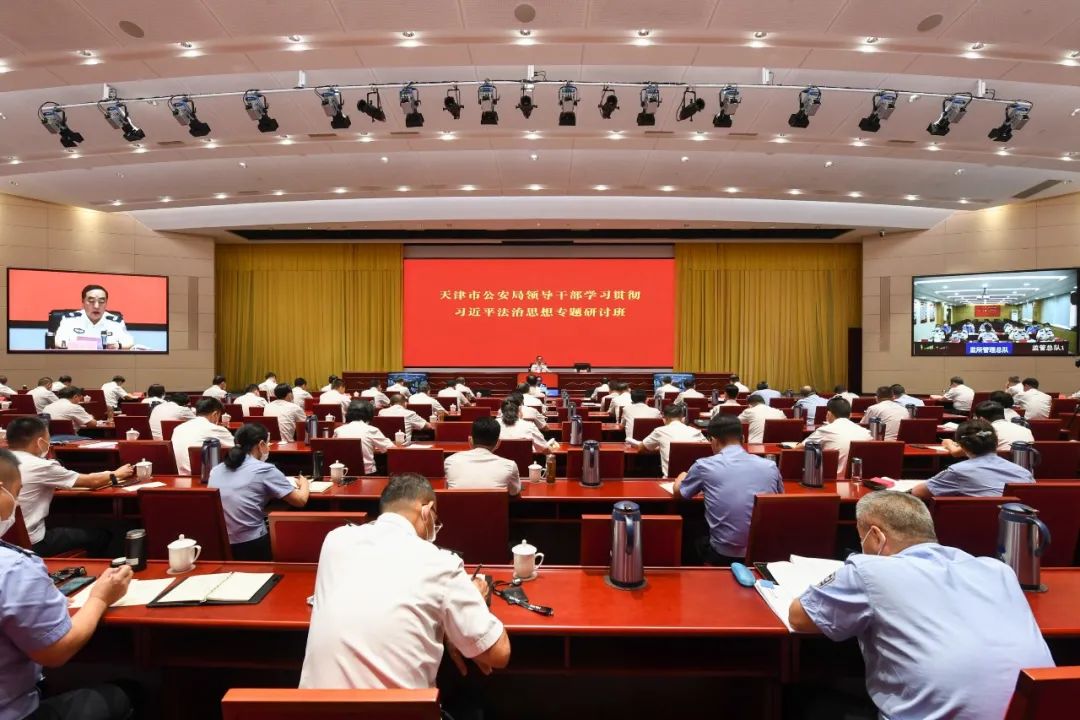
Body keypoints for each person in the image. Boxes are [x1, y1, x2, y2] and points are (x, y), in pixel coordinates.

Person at [789, 491, 1054, 720]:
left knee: (811, 702)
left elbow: (799, 617)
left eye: (862, 538)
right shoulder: (998, 570)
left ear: (876, 536)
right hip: (1041, 710)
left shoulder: (869, 570)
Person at [300, 473, 510, 693]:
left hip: (311, 708)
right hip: (399, 709)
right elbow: (499, 654)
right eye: (436, 520)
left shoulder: (335, 540)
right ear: (427, 510)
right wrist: (473, 600)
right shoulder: (441, 563)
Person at [0, 464, 136, 720]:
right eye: (16, 494)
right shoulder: (13, 567)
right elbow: (56, 651)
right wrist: (100, 597)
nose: (17, 504)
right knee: (127, 692)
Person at [6, 416, 132, 556]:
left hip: (4, 541)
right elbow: (92, 482)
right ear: (40, 442)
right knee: (111, 530)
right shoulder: (40, 465)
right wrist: (117, 474)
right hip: (33, 544)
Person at [674, 415, 783, 566]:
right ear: (743, 439)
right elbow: (779, 500)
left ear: (713, 440)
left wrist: (681, 476)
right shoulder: (770, 466)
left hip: (723, 555)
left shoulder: (704, 466)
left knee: (689, 527)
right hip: (765, 552)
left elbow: (680, 494)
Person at [209, 423, 310, 560]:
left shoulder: (216, 470)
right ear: (261, 444)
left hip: (220, 543)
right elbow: (300, 501)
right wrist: (305, 483)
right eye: (267, 444)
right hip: (251, 544)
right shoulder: (265, 469)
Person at [912, 419, 1034, 498]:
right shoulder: (1024, 473)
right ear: (996, 443)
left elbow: (918, 492)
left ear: (962, 446)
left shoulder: (957, 471)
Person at [797, 397, 871, 478]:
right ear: (850, 415)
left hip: (832, 480)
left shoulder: (825, 430)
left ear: (828, 414)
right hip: (859, 480)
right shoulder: (866, 433)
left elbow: (799, 449)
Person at [444, 417, 521, 495]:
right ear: (498, 443)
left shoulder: (450, 461)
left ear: (470, 440)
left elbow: (447, 487)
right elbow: (514, 492)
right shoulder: (510, 466)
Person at [53, 284, 134, 350]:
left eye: (101, 301)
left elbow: (129, 342)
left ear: (106, 303)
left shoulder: (115, 322)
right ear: (83, 301)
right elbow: (58, 342)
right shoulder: (70, 320)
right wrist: (90, 346)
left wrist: (118, 346)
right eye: (91, 301)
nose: (96, 306)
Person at [171, 397, 235, 476]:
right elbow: (237, 450)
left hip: (180, 477)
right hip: (205, 477)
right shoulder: (214, 429)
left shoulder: (178, 428)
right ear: (215, 414)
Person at [640, 403, 707, 477]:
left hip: (670, 479)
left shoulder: (660, 431)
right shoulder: (696, 431)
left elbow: (641, 448)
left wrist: (660, 449)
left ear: (664, 419)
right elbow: (709, 452)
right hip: (695, 479)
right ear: (683, 418)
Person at [334, 401, 395, 475]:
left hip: (343, 473)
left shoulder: (338, 430)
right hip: (368, 474)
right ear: (369, 414)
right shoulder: (371, 430)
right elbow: (392, 449)